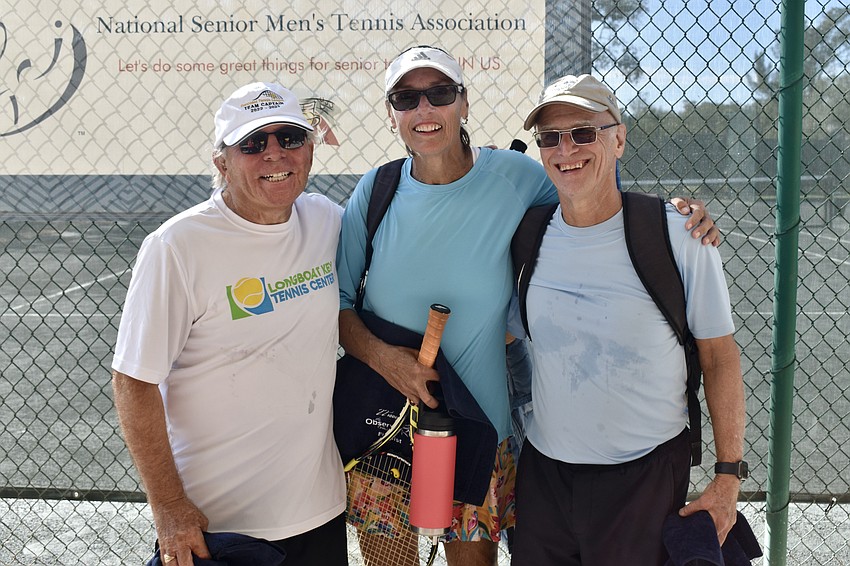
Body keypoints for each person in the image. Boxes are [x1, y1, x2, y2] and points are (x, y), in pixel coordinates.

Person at [335, 46, 721, 566]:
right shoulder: (375, 191)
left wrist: (675, 217)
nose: (424, 110)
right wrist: (389, 363)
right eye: (407, 98)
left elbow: (589, 198)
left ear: (463, 104)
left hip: (477, 427)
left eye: (440, 94)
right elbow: (339, 308)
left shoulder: (518, 178)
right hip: (382, 423)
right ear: (391, 114)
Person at [510, 74, 746, 565]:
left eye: (583, 132)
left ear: (618, 138)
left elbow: (720, 357)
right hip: (545, 479)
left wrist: (727, 477)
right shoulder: (526, 236)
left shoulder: (678, 235)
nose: (565, 149)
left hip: (644, 477)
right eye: (550, 137)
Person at [111, 82, 348, 566]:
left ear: (309, 149)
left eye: (290, 138)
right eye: (254, 143)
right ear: (222, 163)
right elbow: (133, 382)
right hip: (218, 530)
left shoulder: (326, 220)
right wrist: (169, 508)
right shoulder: (176, 247)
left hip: (320, 514)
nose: (275, 154)